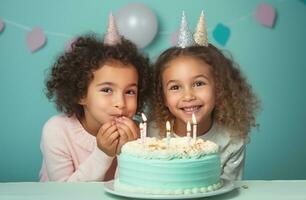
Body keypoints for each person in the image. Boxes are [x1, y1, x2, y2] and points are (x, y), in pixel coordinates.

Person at [148, 11, 260, 181]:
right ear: (162, 96)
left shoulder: (232, 141)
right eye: (175, 87)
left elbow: (228, 190)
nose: (188, 96)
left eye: (199, 83)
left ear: (219, 87)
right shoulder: (150, 136)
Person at [39, 14, 151, 182]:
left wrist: (128, 151)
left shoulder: (139, 133)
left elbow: (133, 188)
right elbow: (63, 193)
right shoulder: (57, 130)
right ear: (80, 94)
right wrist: (103, 153)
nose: (120, 103)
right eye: (107, 90)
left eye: (130, 92)